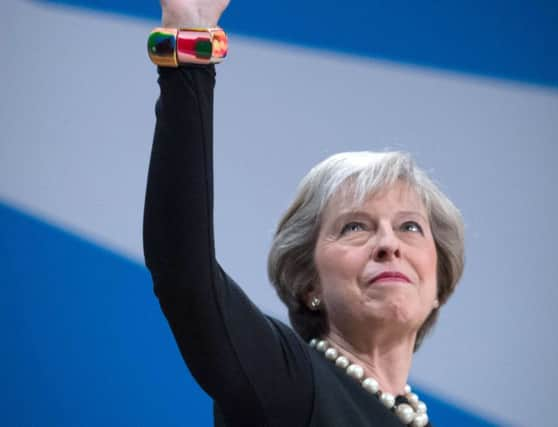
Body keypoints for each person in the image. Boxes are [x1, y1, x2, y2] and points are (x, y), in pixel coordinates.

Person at [143, 1, 464, 425]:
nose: (389, 244)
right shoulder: (289, 383)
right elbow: (185, 275)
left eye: (409, 226)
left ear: (439, 283)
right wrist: (188, 47)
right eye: (355, 226)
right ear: (307, 281)